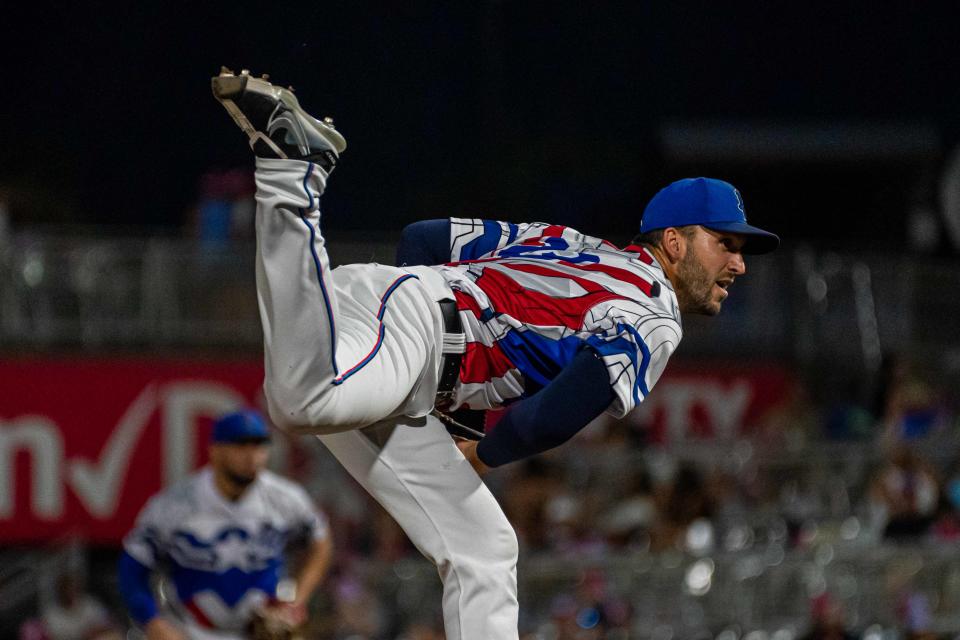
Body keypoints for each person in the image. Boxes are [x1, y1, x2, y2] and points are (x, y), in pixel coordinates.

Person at [210, 67, 779, 639]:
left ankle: (312, 236)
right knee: (302, 401)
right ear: (674, 243)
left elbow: (424, 237)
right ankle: (293, 171)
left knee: (482, 545)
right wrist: (481, 450)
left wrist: (449, 396)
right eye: (723, 243)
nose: (738, 262)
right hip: (416, 329)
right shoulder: (656, 313)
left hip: (409, 334)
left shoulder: (568, 242)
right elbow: (562, 410)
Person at [117, 409, 333, 640]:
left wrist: (296, 600)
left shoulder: (285, 498)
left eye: (259, 446)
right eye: (241, 445)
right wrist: (152, 621)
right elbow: (132, 568)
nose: (252, 456)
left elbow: (320, 540)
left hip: (260, 631)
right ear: (215, 451)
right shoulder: (176, 505)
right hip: (190, 631)